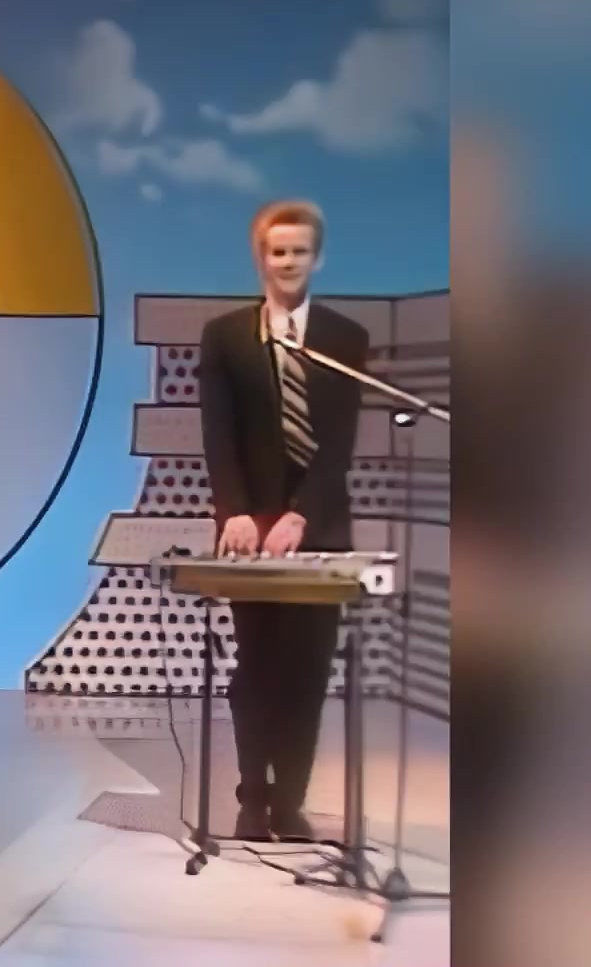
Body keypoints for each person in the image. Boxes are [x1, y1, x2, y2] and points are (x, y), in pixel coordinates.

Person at [198, 198, 370, 842]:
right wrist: (236, 512)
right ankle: (252, 796)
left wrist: (301, 516)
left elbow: (339, 444)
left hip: (319, 527)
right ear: (261, 258)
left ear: (316, 258)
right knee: (257, 667)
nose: (288, 261)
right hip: (250, 530)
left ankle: (291, 802)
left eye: (300, 251)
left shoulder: (345, 339)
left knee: (309, 670)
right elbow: (219, 435)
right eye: (278, 251)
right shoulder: (225, 337)